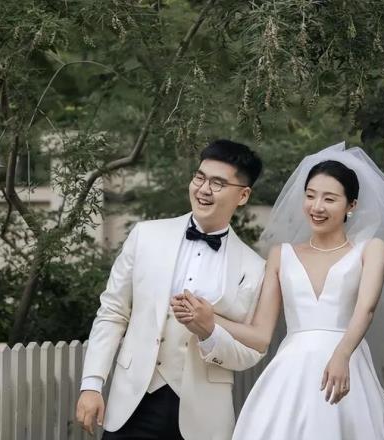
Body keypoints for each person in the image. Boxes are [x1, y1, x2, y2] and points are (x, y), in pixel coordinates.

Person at [173, 143, 384, 439]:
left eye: (329, 199)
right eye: (310, 195)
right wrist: (209, 318)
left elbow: (366, 308)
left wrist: (341, 355)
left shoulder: (370, 249)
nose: (317, 207)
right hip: (291, 370)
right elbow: (260, 335)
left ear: (351, 205)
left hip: (346, 363)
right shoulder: (281, 254)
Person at [76, 139, 266, 439]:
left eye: (217, 183)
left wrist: (209, 332)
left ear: (243, 195)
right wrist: (92, 383)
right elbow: (112, 312)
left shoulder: (253, 268)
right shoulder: (145, 236)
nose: (203, 189)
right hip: (131, 404)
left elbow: (250, 353)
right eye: (200, 177)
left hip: (202, 417)